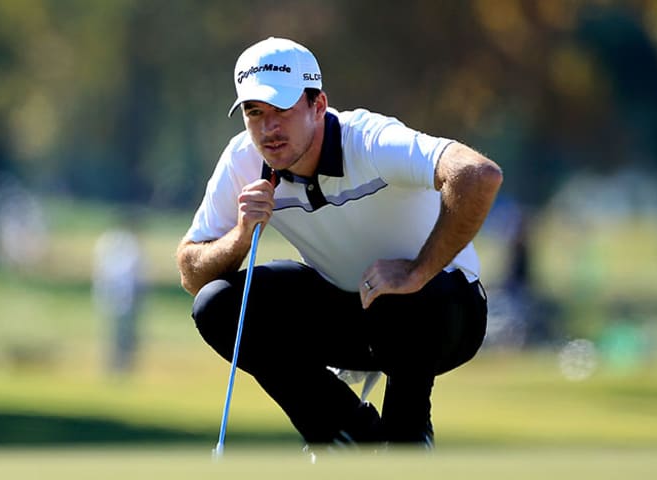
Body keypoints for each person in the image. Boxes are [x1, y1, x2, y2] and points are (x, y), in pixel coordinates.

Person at [176, 37, 503, 451]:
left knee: (395, 293)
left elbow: (478, 175)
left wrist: (418, 270)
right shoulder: (244, 159)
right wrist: (240, 234)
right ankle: (347, 437)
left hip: (444, 313)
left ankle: (407, 438)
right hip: (352, 312)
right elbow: (192, 273)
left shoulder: (369, 140)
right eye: (254, 112)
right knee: (217, 304)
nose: (268, 128)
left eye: (281, 110)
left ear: (318, 105)